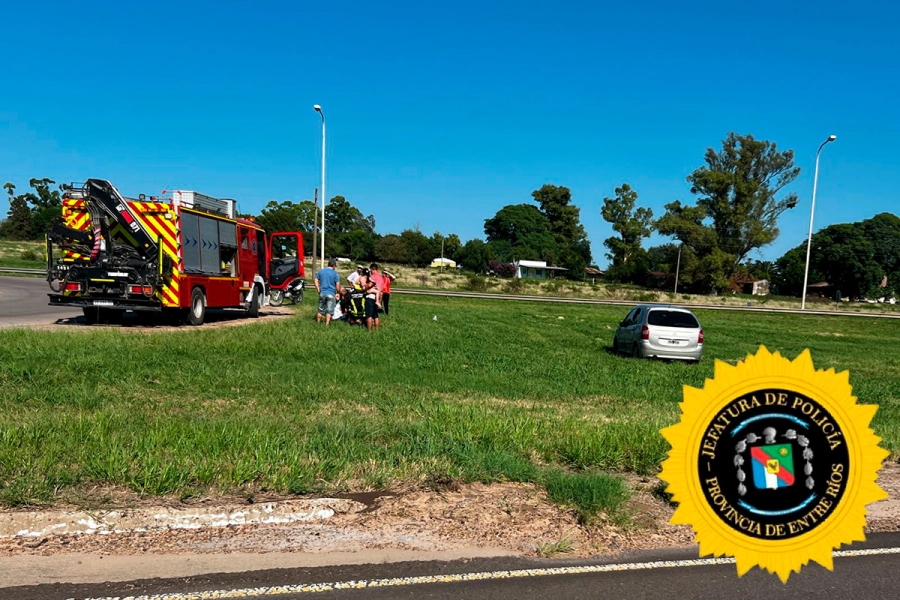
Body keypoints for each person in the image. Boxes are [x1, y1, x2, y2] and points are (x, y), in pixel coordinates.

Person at [315, 259, 342, 325]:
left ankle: (318, 322)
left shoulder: (321, 271)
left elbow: (315, 280)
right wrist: (338, 293)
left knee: (320, 309)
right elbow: (338, 284)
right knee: (329, 311)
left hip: (322, 292)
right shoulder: (335, 273)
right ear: (334, 266)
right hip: (331, 293)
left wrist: (318, 289)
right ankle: (327, 324)